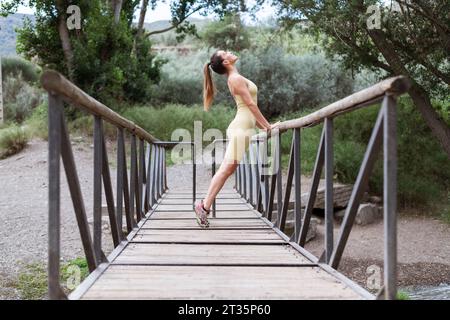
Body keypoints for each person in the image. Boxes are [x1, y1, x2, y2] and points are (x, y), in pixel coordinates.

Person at [194, 49, 280, 228]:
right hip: (241, 129)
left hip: (244, 127)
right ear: (226, 62)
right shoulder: (235, 79)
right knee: (226, 169)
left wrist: (263, 126)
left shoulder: (235, 77)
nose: (229, 51)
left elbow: (249, 108)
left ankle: (204, 206)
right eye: (225, 52)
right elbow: (250, 104)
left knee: (227, 169)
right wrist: (267, 126)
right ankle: (203, 206)